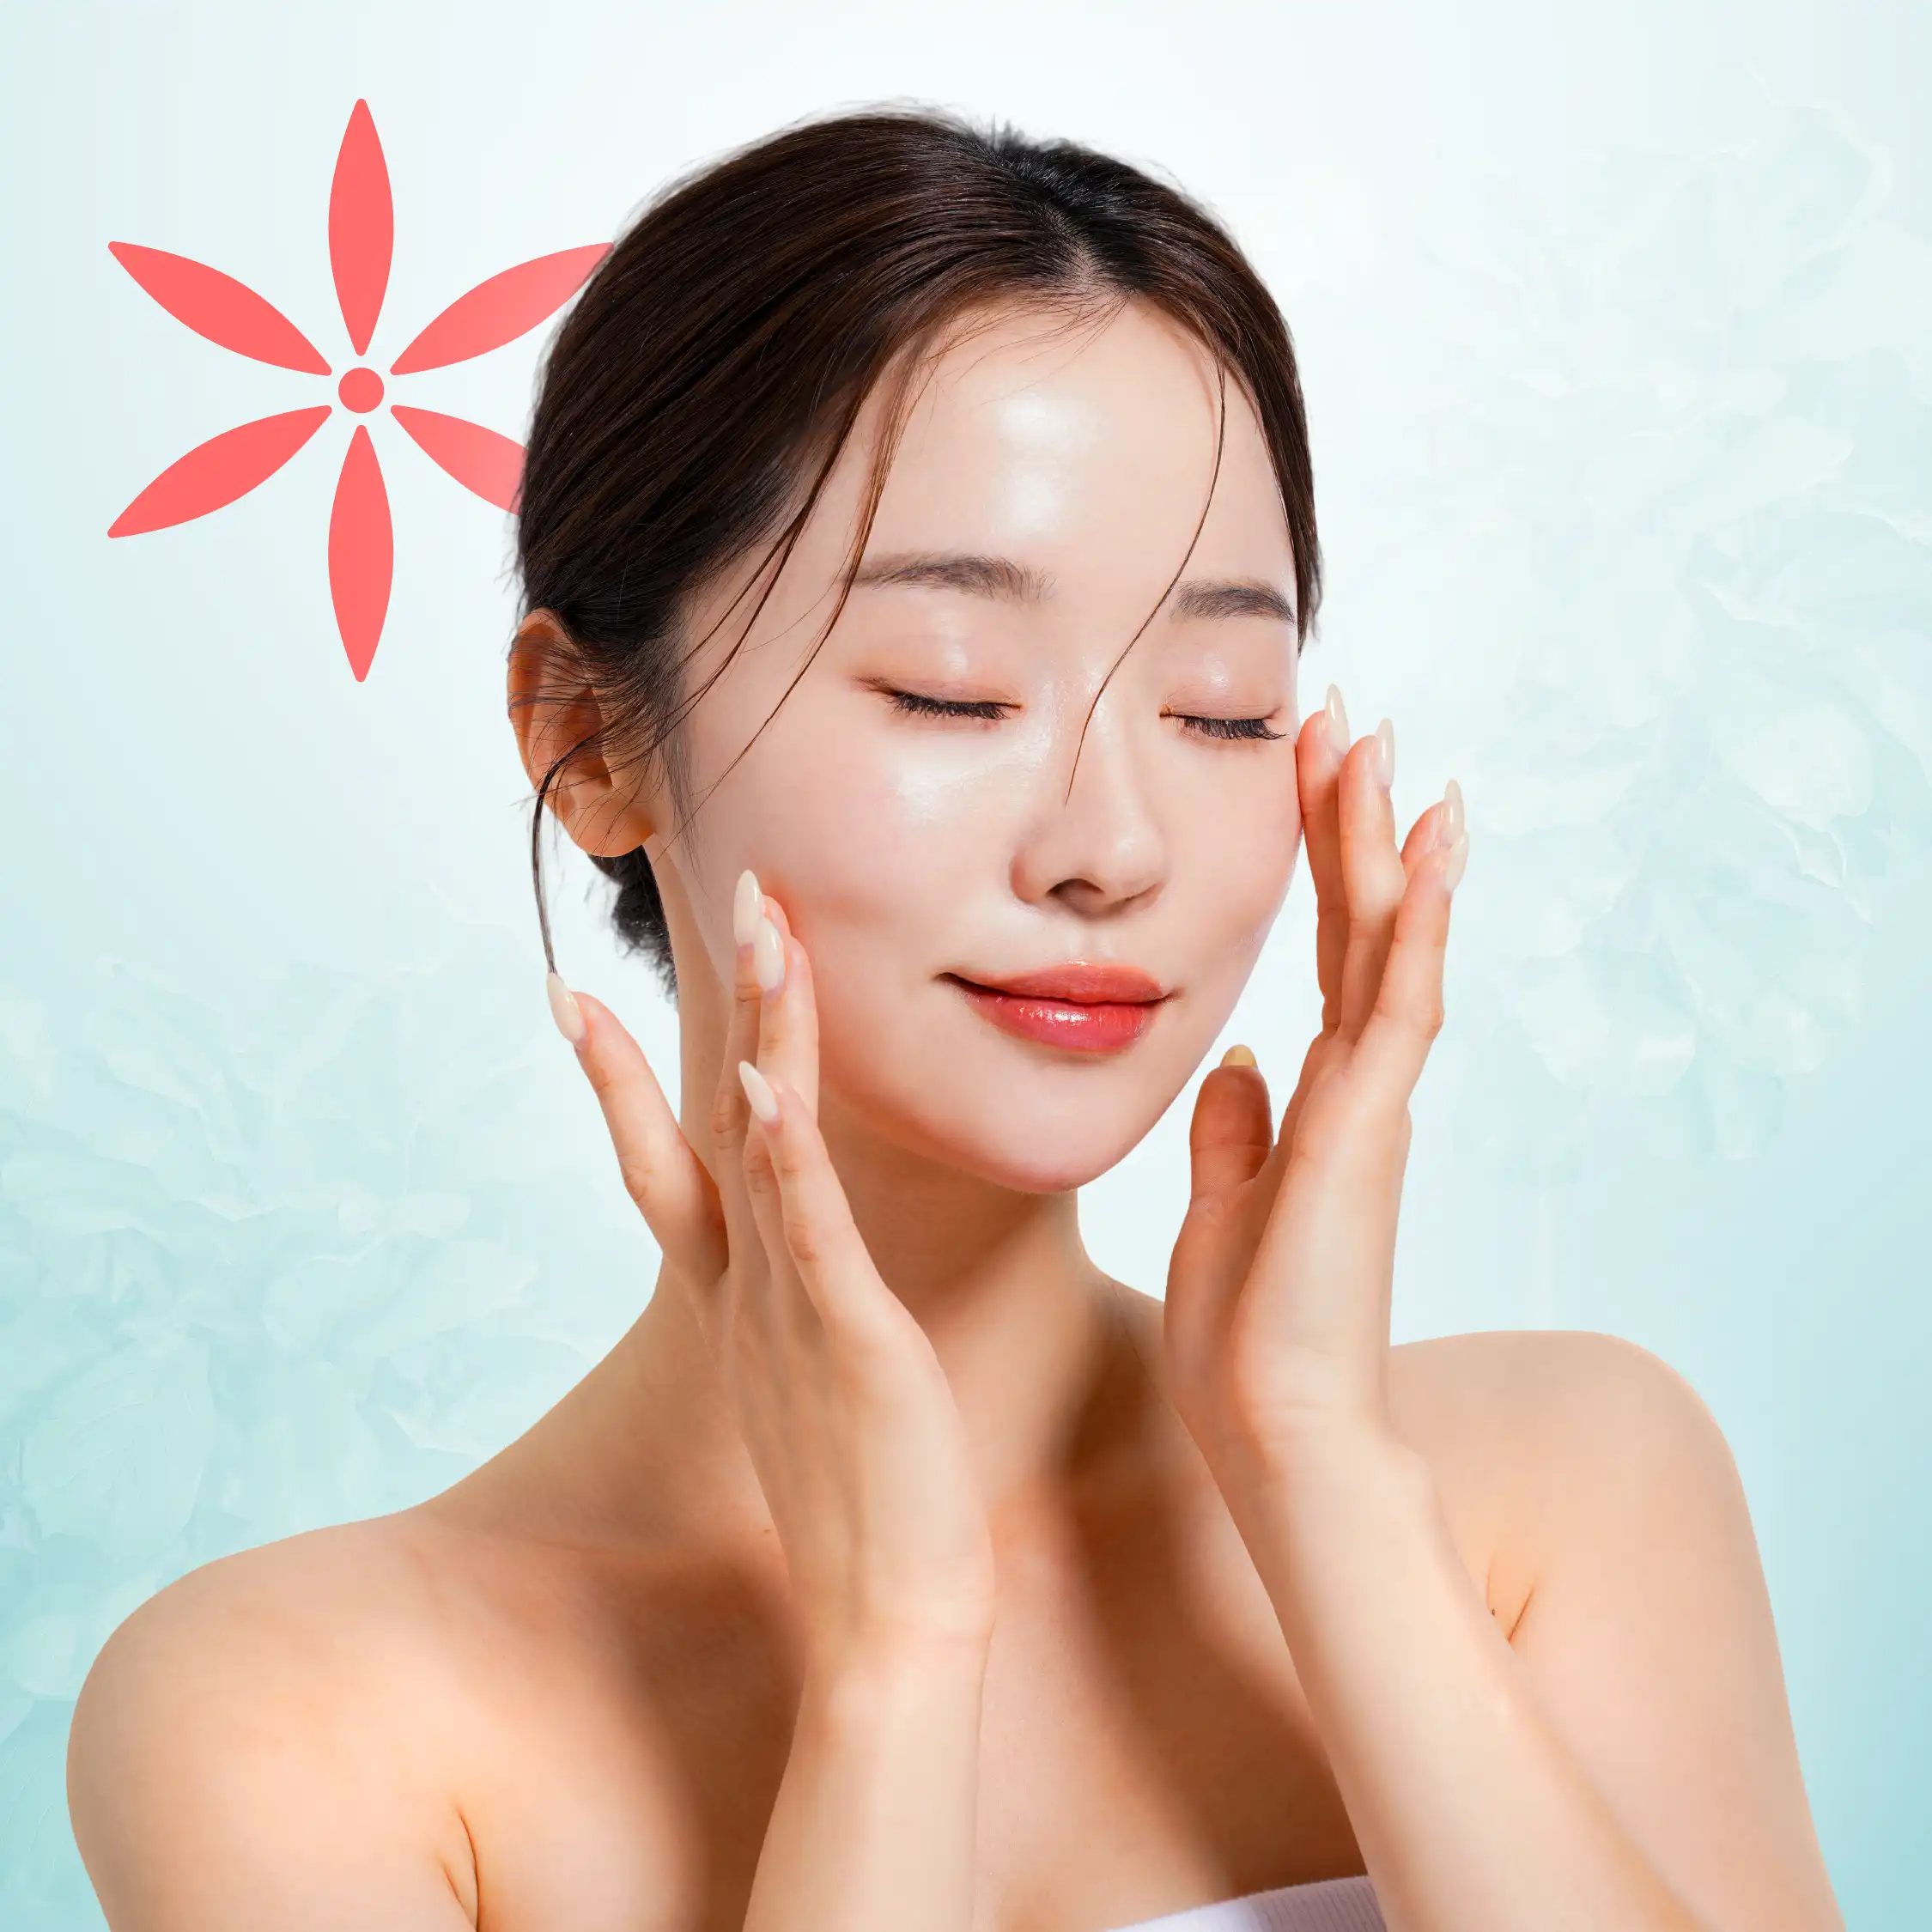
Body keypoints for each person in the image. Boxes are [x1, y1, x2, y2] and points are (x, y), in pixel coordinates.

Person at [66, 107, 1844, 1932]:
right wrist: (893, 1662)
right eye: (950, 690)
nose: (1114, 846)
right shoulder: (297, 1720)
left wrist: (1323, 1481)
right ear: (588, 737)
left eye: (1224, 709)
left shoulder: (1548, 1498)